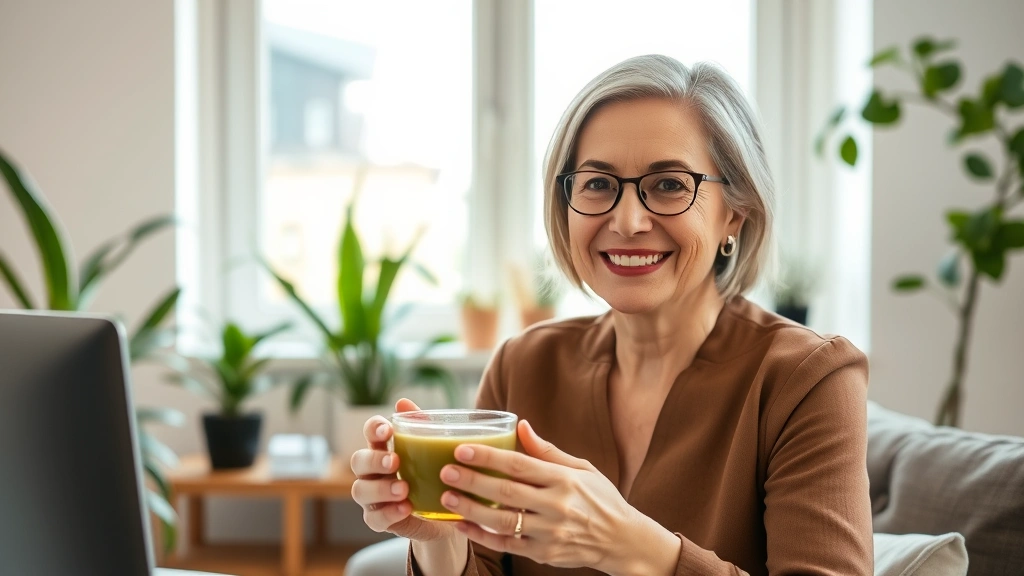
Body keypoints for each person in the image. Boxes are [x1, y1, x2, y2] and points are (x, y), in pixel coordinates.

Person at [349, 54, 873, 576]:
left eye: (669, 184)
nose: (627, 221)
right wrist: (441, 539)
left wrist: (634, 548)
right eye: (597, 184)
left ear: (733, 210)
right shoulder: (525, 363)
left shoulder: (807, 380)